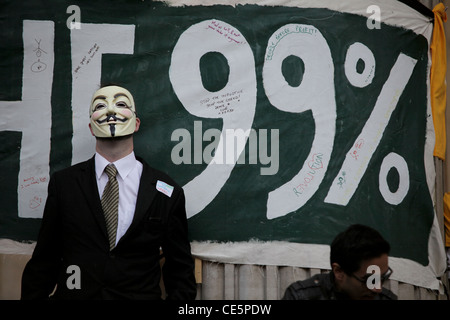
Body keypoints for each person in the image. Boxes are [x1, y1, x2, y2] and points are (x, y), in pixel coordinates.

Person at [21, 84, 197, 300]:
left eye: (121, 104)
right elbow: (44, 260)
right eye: (101, 106)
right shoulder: (64, 184)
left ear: (136, 123)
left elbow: (181, 269)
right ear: (91, 126)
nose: (111, 112)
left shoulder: (166, 190)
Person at [282, 224, 397, 300]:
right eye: (370, 280)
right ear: (339, 272)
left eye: (382, 278)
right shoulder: (302, 296)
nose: (378, 288)